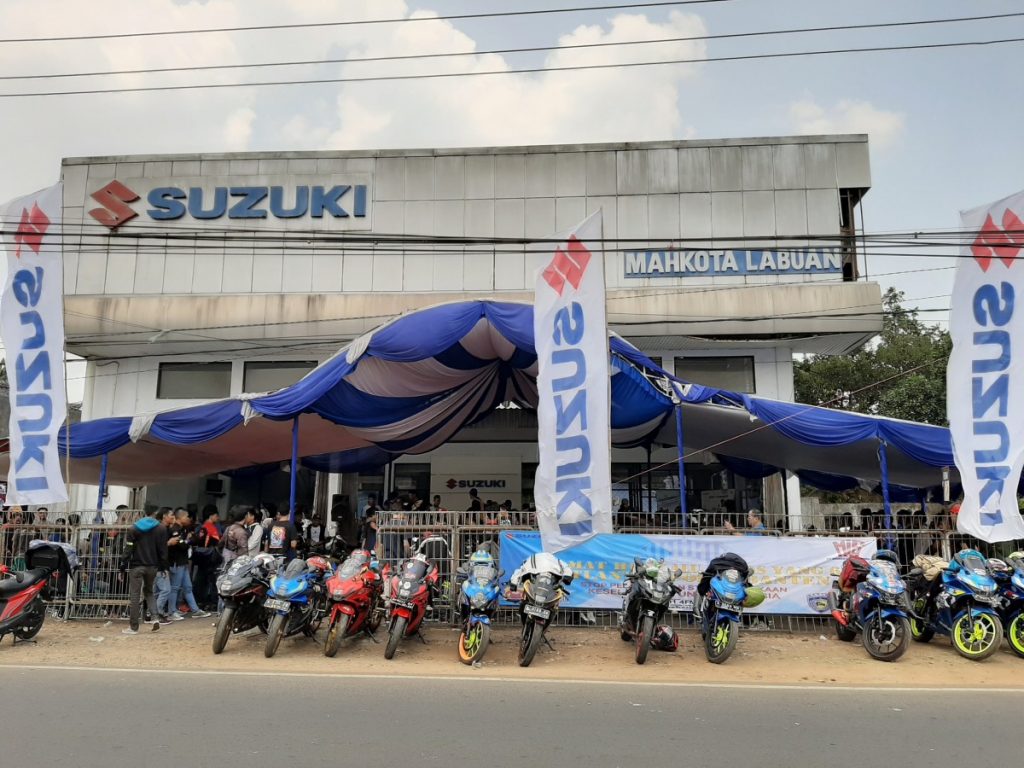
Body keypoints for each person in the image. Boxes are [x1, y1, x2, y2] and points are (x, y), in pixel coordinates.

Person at [121, 509, 169, 634]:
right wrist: (164, 567)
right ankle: (155, 618)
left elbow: (129, 548)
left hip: (136, 567)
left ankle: (133, 627)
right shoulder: (161, 529)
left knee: (135, 596)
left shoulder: (133, 529)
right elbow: (163, 550)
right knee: (149, 592)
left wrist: (122, 564)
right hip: (152, 567)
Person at [168, 509, 209, 620]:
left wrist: (189, 540)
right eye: (186, 517)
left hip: (183, 562)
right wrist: (188, 541)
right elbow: (182, 546)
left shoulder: (183, 529)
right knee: (175, 588)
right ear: (180, 518)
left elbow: (190, 541)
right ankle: (171, 611)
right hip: (177, 563)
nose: (188, 519)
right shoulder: (175, 530)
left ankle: (195, 610)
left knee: (188, 587)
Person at [153, 508, 177, 622]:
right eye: (171, 515)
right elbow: (158, 548)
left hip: (155, 564)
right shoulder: (160, 529)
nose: (173, 517)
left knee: (156, 591)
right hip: (159, 564)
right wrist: (169, 543)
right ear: (164, 516)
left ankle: (151, 614)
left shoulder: (165, 529)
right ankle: (157, 614)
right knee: (166, 590)